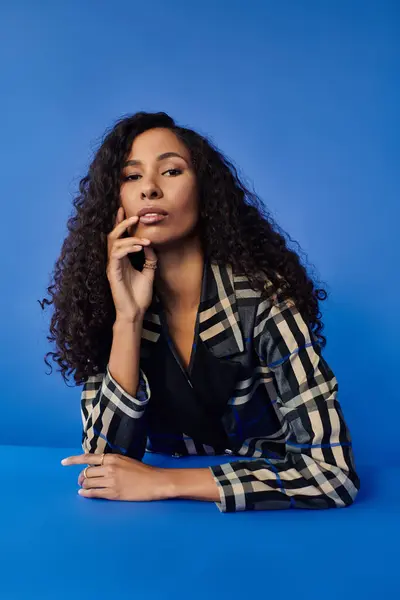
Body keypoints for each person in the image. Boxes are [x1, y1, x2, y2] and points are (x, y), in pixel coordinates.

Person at [41, 111, 360, 513]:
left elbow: (334, 475)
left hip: (260, 525)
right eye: (132, 176)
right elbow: (106, 462)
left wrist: (163, 482)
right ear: (115, 200)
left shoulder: (262, 300)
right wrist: (128, 319)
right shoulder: (109, 302)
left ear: (205, 191)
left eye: (171, 171)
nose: (150, 190)